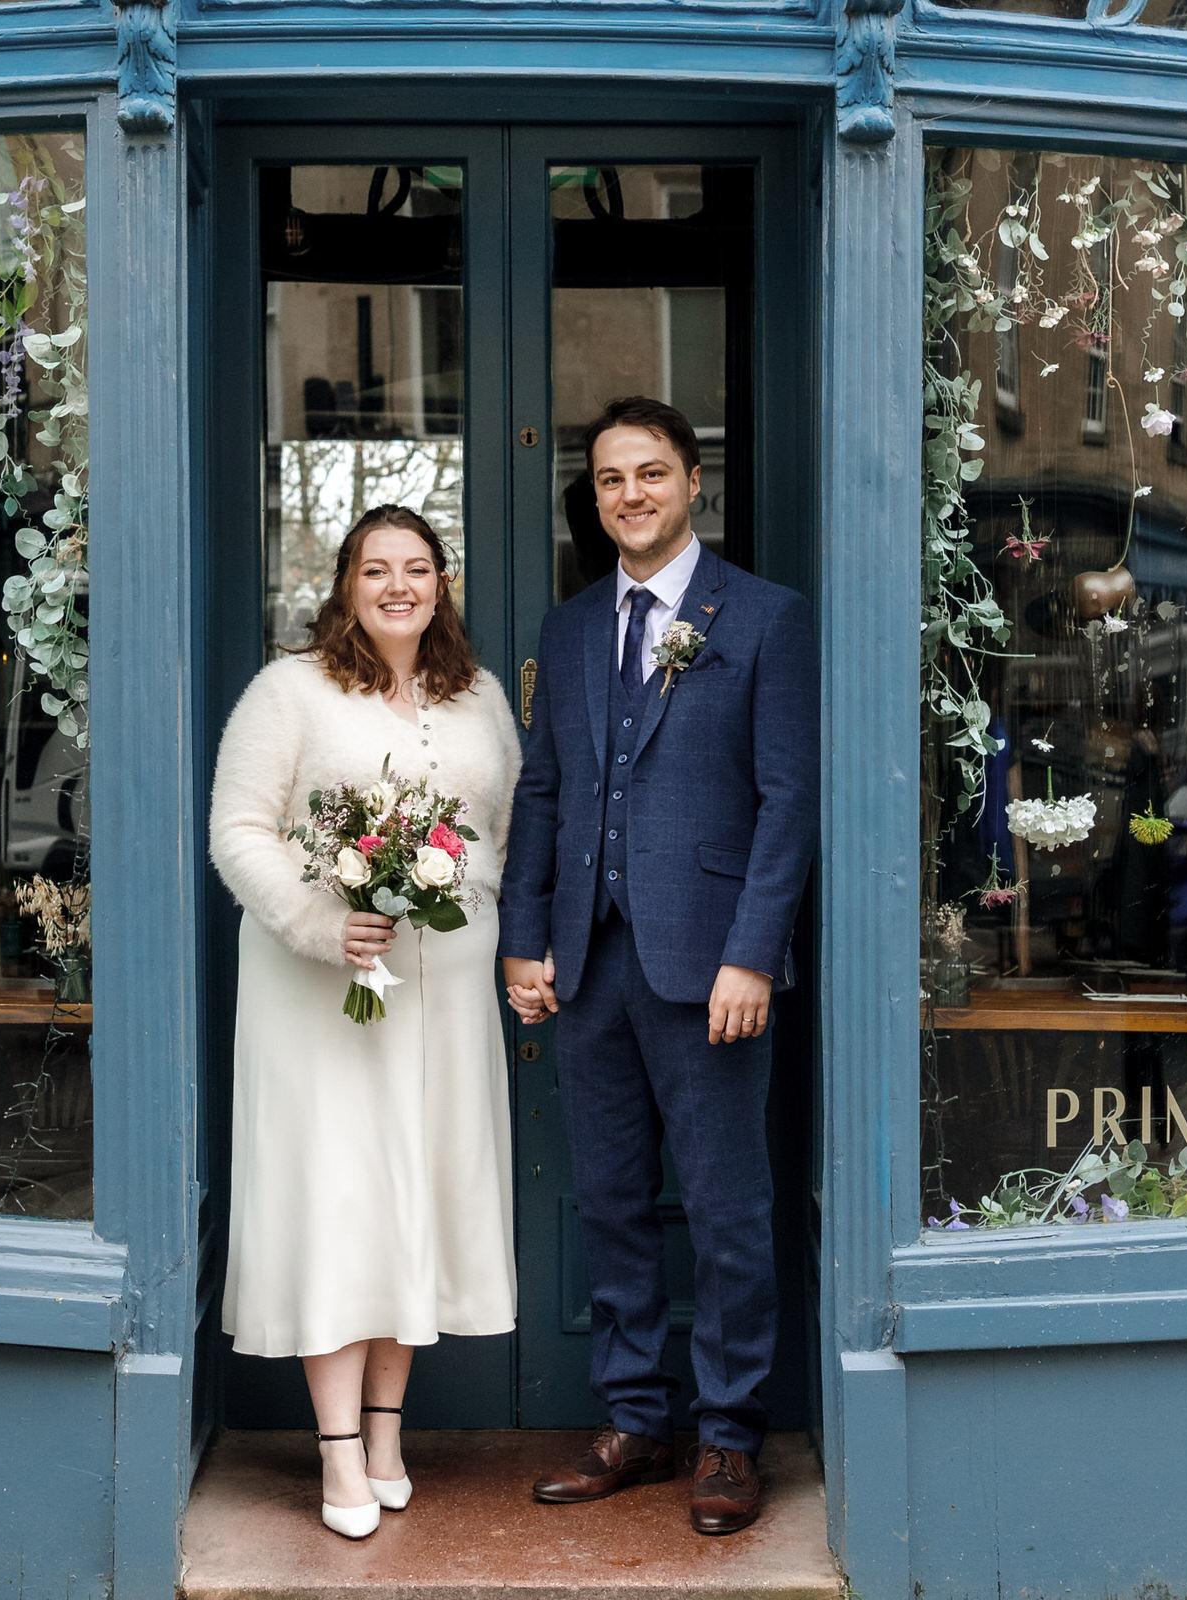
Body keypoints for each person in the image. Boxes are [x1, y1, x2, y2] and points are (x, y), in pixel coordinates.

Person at [500, 396, 818, 1536]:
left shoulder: (768, 619)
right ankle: (635, 1417)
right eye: (607, 481)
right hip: (588, 963)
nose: (628, 495)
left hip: (710, 970)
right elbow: (544, 791)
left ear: (693, 483)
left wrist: (753, 954)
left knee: (729, 1209)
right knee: (613, 1203)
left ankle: (730, 1435)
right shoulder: (572, 627)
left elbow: (789, 802)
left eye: (649, 474)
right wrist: (523, 935)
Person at [208, 504, 521, 1541]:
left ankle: (387, 1430)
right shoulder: (288, 690)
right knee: (340, 1200)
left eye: (419, 568)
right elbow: (237, 832)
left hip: (446, 989)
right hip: (322, 996)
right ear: (346, 583)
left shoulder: (477, 698)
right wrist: (318, 919)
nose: (399, 585)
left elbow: (504, 841)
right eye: (377, 568)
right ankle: (337, 1451)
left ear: (442, 583)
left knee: (415, 1197)